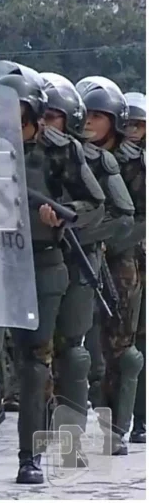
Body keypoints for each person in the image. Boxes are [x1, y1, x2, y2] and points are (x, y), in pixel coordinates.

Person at [0, 69, 106, 484]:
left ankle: (29, 457)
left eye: (20, 118)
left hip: (43, 261)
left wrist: (61, 215)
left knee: (37, 363)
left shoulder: (61, 152)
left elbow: (94, 203)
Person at [76, 77, 145, 456]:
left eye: (98, 116)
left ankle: (117, 428)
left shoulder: (136, 163)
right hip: (83, 256)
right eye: (86, 114)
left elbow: (141, 219)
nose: (89, 122)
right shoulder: (76, 156)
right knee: (85, 349)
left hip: (124, 262)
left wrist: (108, 242)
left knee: (122, 347)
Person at [122, 91, 146, 444]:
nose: (132, 130)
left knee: (141, 341)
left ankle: (140, 419)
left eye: (139, 125)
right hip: (122, 258)